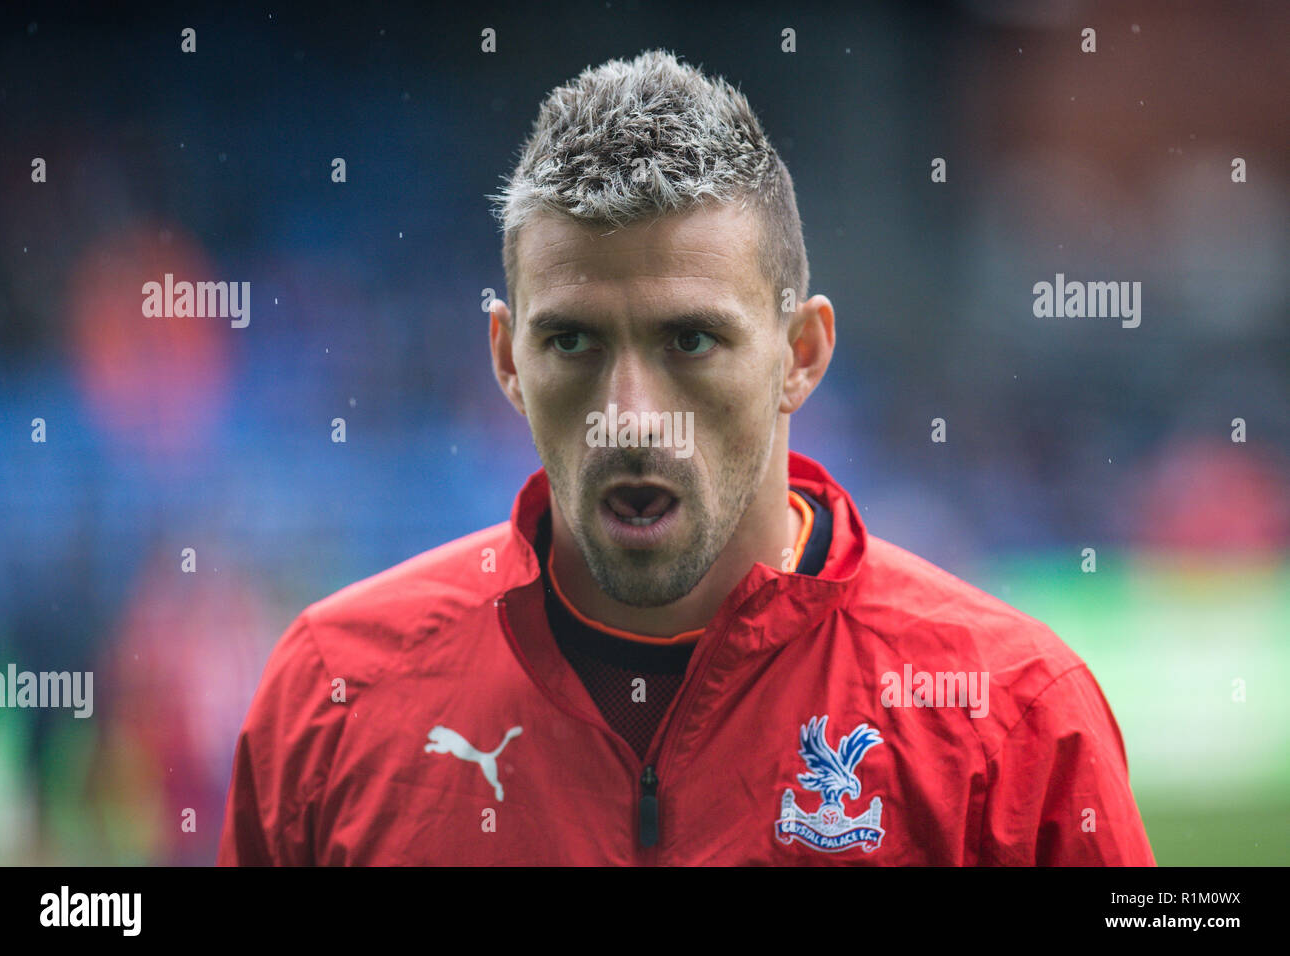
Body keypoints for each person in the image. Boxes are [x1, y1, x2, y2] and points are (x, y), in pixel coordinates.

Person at [218, 50, 1155, 865]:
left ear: (801, 354)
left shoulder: (1017, 717)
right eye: (573, 343)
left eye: (691, 341)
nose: (631, 418)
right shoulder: (333, 693)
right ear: (507, 358)